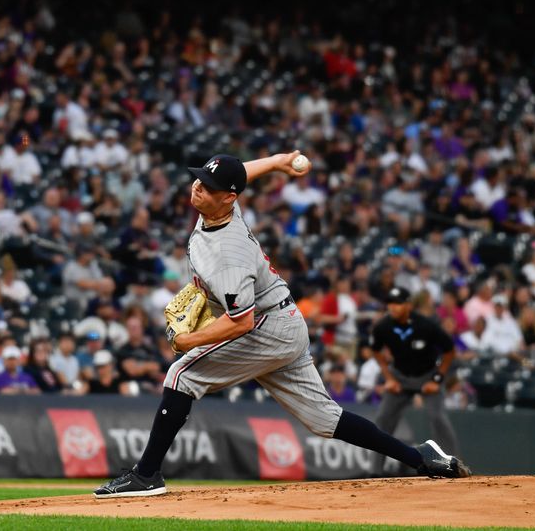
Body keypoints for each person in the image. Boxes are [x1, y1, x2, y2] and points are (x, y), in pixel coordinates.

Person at [95, 152, 469, 499]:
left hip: (265, 326)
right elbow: (238, 175)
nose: (197, 187)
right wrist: (277, 161)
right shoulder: (222, 207)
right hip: (285, 323)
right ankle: (420, 456)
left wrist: (190, 339)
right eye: (197, 180)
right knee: (325, 419)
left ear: (227, 197)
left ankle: (146, 475)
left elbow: (241, 321)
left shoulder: (228, 255)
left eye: (207, 187)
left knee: (182, 374)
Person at [368, 286, 462, 476]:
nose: (393, 307)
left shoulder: (425, 325)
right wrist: (388, 377)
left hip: (427, 375)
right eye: (390, 303)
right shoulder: (383, 327)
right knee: (383, 418)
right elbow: (375, 350)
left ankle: (455, 466)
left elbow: (450, 350)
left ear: (408, 305)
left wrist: (437, 379)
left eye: (398, 303)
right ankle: (375, 472)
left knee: (438, 417)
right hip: (400, 377)